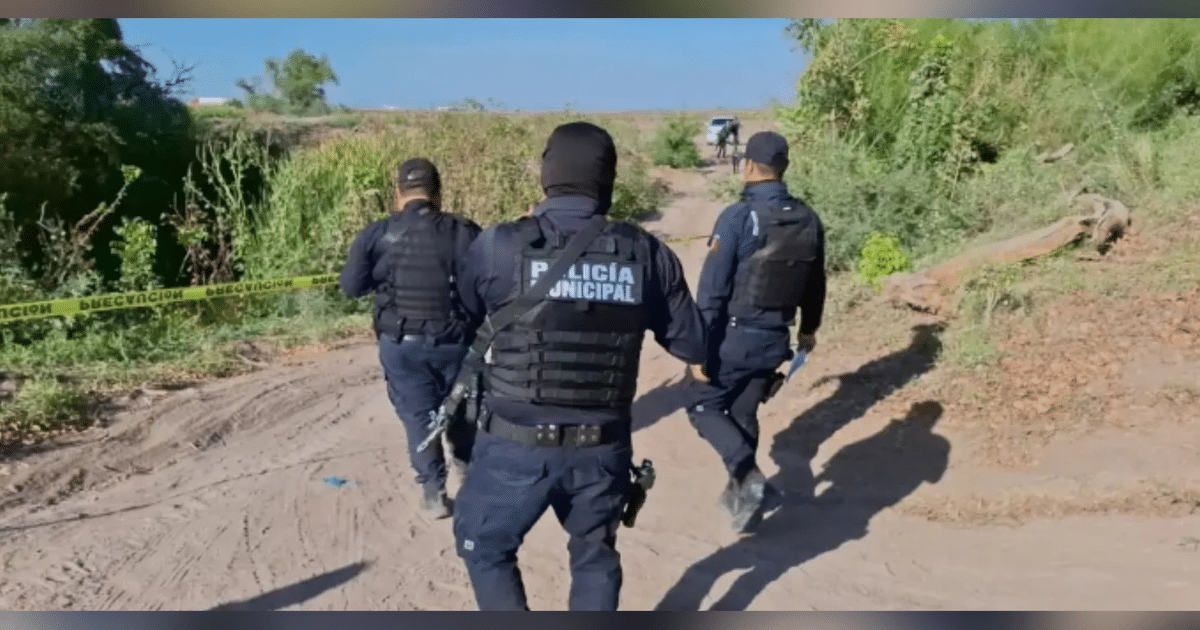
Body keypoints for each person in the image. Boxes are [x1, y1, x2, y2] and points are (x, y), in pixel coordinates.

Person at [450, 121, 708, 610]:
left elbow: (462, 321)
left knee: (484, 549)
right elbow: (694, 347)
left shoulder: (500, 245)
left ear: (547, 173)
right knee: (594, 555)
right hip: (602, 452)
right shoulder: (646, 253)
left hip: (512, 448)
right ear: (607, 179)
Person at [684, 130, 827, 535]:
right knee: (744, 412)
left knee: (702, 407)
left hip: (733, 338)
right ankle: (746, 501)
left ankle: (749, 480)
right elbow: (815, 283)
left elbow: (712, 290)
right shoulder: (808, 219)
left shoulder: (737, 218)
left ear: (747, 165)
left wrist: (698, 350)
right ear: (784, 168)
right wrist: (808, 332)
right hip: (775, 340)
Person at [338, 157, 482, 519]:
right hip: (457, 344)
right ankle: (468, 476)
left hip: (402, 346)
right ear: (438, 192)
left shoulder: (378, 233)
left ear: (398, 192)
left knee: (419, 416)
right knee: (463, 412)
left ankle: (433, 493)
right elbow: (485, 288)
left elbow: (351, 287)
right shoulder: (465, 231)